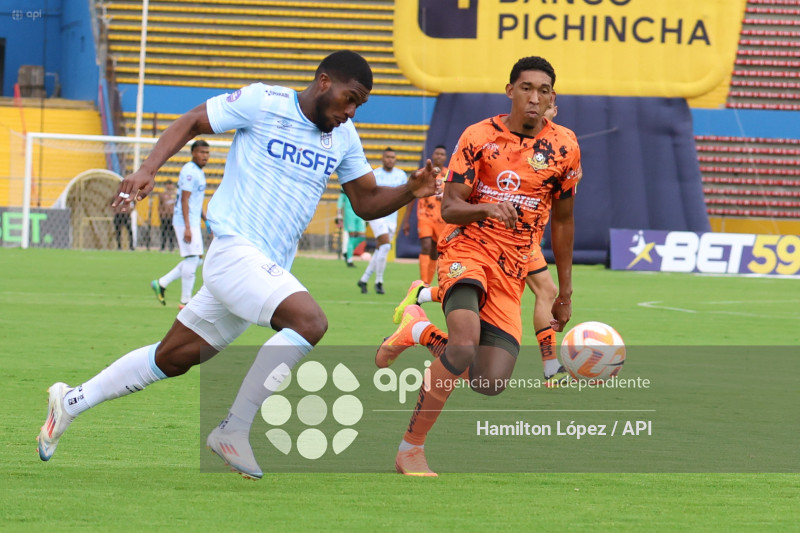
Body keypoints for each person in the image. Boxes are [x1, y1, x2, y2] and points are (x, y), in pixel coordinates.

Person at [36, 50, 440, 480]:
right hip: (232, 251)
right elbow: (193, 120)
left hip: (262, 268)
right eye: (350, 98)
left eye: (360, 104)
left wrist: (409, 191)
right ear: (324, 81)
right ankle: (234, 429)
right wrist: (148, 169)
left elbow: (366, 201)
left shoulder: (344, 137)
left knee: (172, 357)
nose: (352, 111)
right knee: (310, 322)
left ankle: (71, 401)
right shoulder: (264, 101)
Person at [377, 56, 581, 476]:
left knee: (489, 382)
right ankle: (410, 449)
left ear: (552, 98)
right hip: (467, 249)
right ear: (510, 91)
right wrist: (487, 207)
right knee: (464, 342)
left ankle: (417, 329)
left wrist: (565, 292)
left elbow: (563, 222)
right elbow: (450, 207)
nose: (535, 97)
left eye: (543, 90)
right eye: (526, 88)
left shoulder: (565, 146)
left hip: (514, 267)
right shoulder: (478, 136)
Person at [388, 97, 583, 386]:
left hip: (524, 240)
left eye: (548, 101)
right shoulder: (491, 139)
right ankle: (550, 366)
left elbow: (561, 208)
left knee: (541, 293)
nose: (542, 106)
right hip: (490, 237)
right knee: (542, 291)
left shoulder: (560, 145)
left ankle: (423, 300)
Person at [151, 140, 210, 309]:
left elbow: (195, 201)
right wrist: (188, 227)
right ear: (193, 153)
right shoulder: (189, 172)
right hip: (185, 221)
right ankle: (185, 301)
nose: (205, 156)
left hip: (192, 220)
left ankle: (162, 283)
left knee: (196, 259)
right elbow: (184, 200)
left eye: (207, 153)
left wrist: (205, 219)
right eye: (201, 152)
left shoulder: (198, 171)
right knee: (193, 258)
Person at [357, 147, 408, 294]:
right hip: (377, 214)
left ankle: (364, 279)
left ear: (395, 159)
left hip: (392, 217)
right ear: (382, 158)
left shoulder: (401, 175)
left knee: (381, 249)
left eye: (392, 157)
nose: (390, 160)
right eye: (387, 157)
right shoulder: (375, 174)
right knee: (385, 246)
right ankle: (379, 281)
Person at [400, 145, 449, 285]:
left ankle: (428, 281)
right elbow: (412, 196)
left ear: (445, 157)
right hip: (425, 216)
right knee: (426, 246)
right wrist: (406, 220)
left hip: (441, 218)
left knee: (435, 250)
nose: (439, 156)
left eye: (442, 154)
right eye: (437, 153)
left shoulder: (449, 175)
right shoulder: (424, 173)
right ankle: (423, 282)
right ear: (433, 155)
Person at [336, 189, 366, 267]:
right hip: (349, 214)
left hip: (359, 213)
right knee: (352, 236)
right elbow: (341, 200)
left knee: (362, 237)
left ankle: (348, 252)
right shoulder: (345, 185)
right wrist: (339, 215)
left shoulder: (361, 184)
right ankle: (349, 260)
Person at [158, 179, 177, 252]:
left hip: (173, 216)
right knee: (163, 232)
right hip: (164, 216)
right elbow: (160, 205)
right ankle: (162, 247)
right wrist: (161, 213)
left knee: (172, 233)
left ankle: (171, 247)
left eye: (170, 184)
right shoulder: (162, 194)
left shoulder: (176, 195)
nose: (169, 186)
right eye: (168, 184)